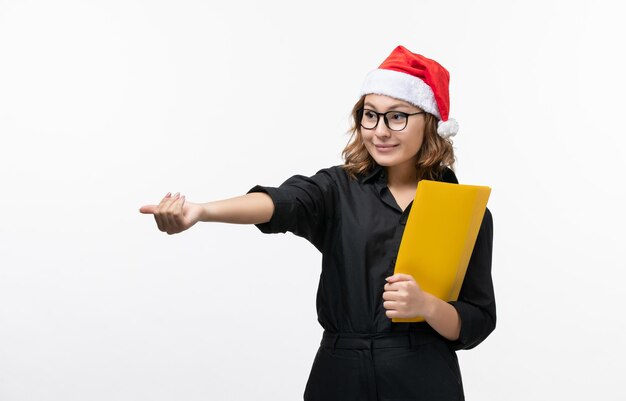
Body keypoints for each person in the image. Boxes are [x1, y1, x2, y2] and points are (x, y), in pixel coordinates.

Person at [140, 45, 496, 401]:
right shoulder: (337, 189)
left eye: (397, 117)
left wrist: (428, 307)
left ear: (430, 123)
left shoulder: (465, 211)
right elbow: (280, 203)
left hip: (424, 376)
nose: (380, 131)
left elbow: (478, 318)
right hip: (340, 372)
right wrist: (202, 211)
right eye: (370, 116)